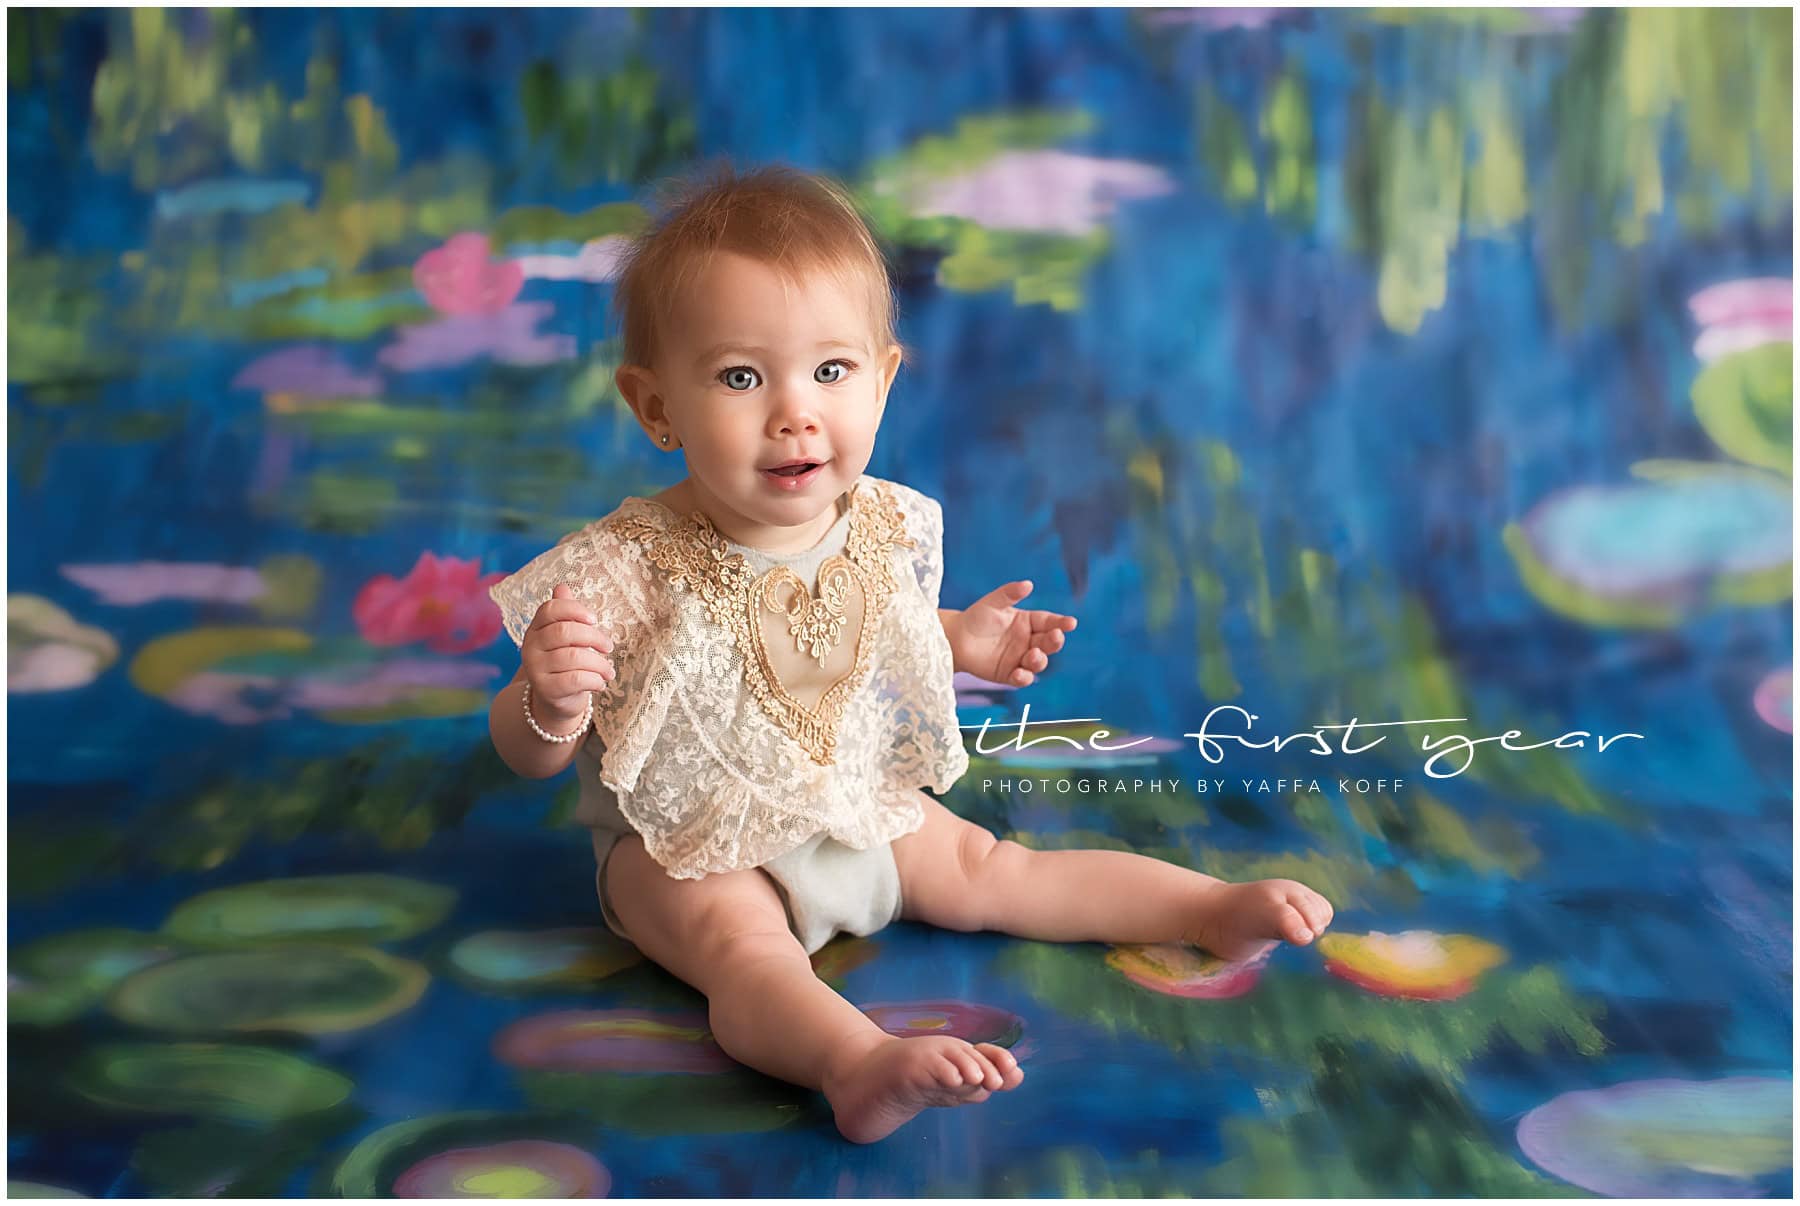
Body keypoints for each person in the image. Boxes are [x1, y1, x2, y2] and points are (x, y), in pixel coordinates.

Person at [487, 161, 1334, 1144]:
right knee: (746, 952)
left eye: (831, 371)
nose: (795, 412)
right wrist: (549, 703)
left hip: (852, 804)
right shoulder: (627, 568)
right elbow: (526, 752)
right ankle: (854, 1064)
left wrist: (961, 642)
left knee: (993, 869)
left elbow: (861, 632)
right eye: (740, 376)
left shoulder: (878, 526)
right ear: (656, 406)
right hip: (686, 848)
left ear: (883, 380)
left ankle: (1204, 910)